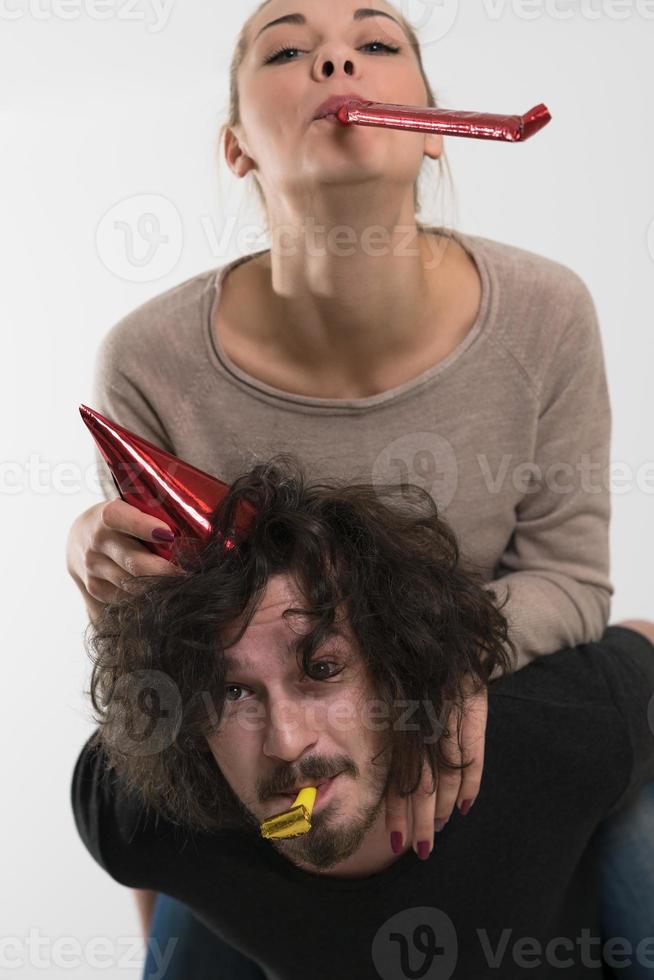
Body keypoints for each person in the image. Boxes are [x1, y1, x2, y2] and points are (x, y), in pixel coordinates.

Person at [65, 0, 654, 975]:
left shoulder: (549, 314)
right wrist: (103, 567)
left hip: (494, 700)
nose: (337, 56)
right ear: (236, 146)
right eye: (288, 49)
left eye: (378, 43)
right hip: (287, 764)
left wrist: (425, 671)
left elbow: (574, 585)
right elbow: (176, 674)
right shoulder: (145, 361)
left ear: (430, 126)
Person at [70, 455, 654, 980]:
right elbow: (142, 848)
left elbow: (642, 647)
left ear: (395, 663)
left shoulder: (556, 736)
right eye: (232, 693)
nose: (289, 742)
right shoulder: (132, 815)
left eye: (322, 670)